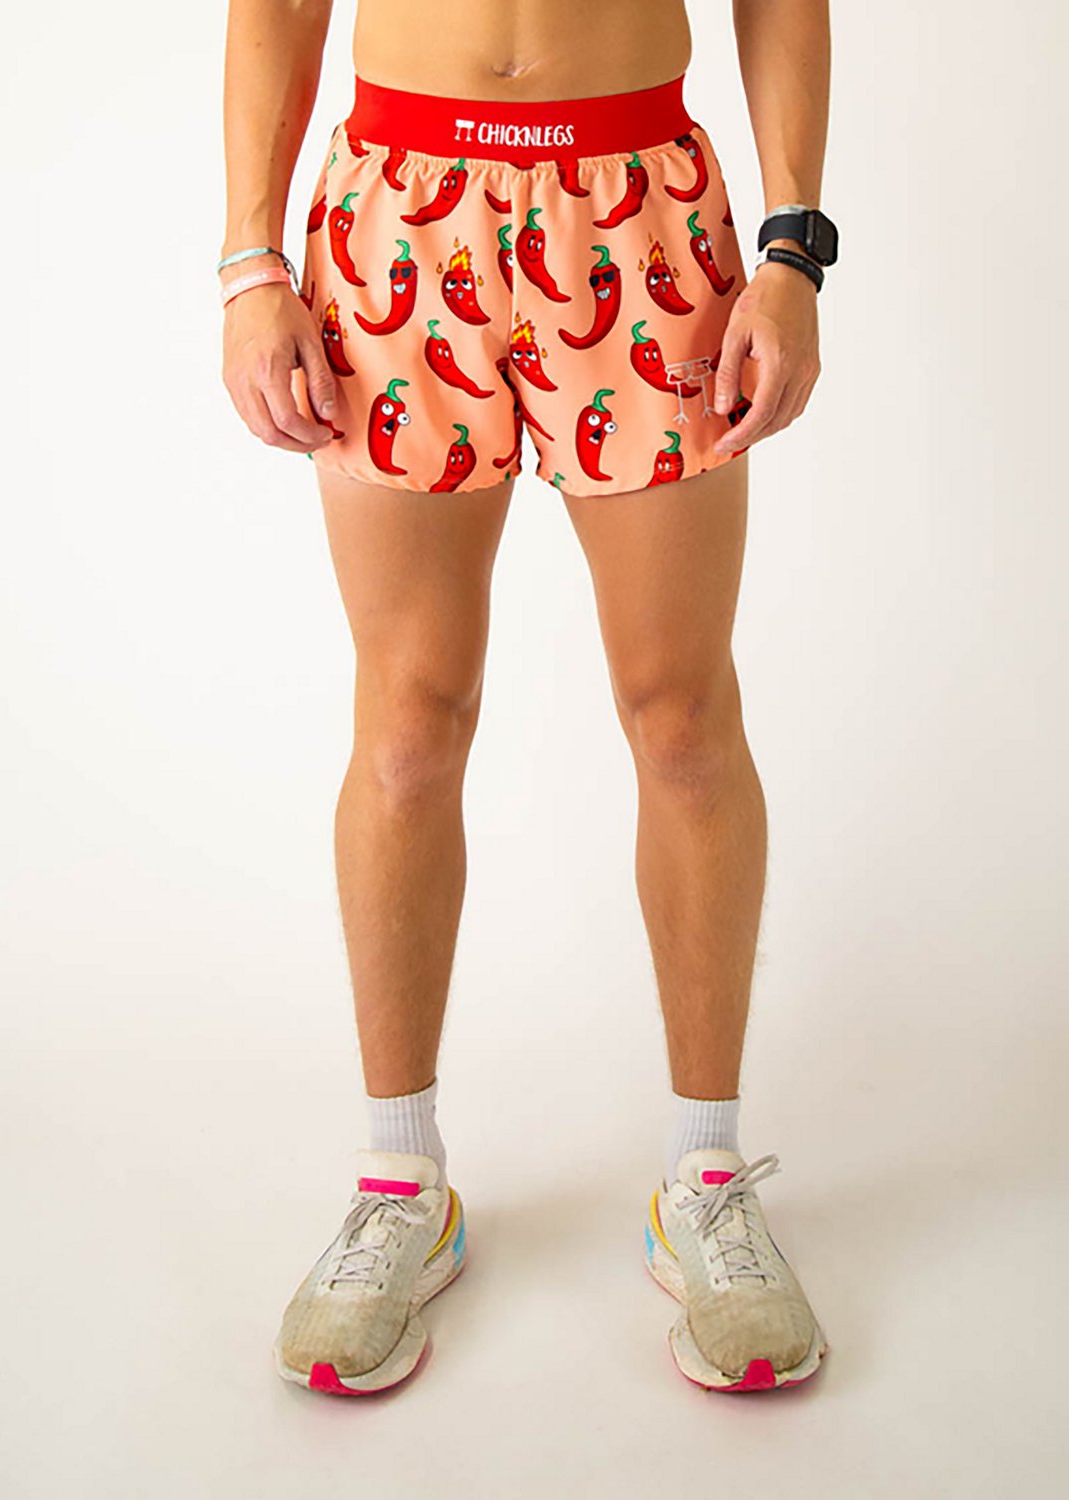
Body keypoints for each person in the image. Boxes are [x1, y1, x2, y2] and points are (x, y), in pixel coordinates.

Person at [219, 0, 838, 1396]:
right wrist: (250, 264)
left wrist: (794, 249)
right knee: (408, 723)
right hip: (401, 209)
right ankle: (401, 1184)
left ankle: (706, 1177)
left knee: (681, 716)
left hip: (639, 208)